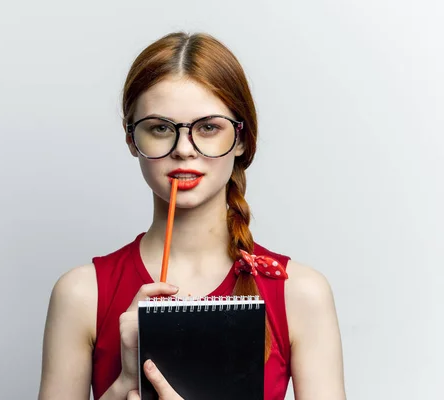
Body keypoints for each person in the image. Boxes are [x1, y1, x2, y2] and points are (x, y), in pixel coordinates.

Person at [37, 31, 346, 400]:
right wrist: (124, 385)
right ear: (131, 139)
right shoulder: (81, 294)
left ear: (242, 138)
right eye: (161, 128)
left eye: (209, 127)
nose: (184, 149)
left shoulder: (298, 292)